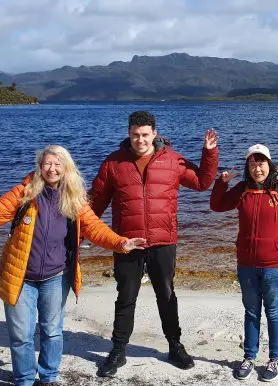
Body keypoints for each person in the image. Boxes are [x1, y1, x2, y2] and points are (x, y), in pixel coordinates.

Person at [0, 145, 146, 386]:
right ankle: (24, 380)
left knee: (52, 331)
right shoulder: (23, 195)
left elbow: (95, 229)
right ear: (40, 166)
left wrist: (121, 243)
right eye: (47, 164)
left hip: (57, 277)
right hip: (20, 277)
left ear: (67, 168)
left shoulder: (74, 199)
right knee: (21, 336)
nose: (52, 169)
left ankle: (48, 378)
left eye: (58, 164)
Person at [90, 110, 219, 376]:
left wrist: (209, 154)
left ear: (154, 134)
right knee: (126, 297)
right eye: (135, 135)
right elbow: (97, 203)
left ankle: (175, 345)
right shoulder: (113, 163)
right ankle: (118, 350)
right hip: (127, 242)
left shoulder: (172, 160)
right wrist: (79, 234)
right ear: (128, 134)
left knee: (167, 295)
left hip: (163, 241)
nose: (140, 140)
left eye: (145, 135)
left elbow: (203, 183)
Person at [209, 143, 278, 382]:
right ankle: (249, 357)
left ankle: (274, 359)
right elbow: (216, 205)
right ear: (248, 166)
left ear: (269, 165)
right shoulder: (241, 190)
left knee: (273, 312)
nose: (257, 167)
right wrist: (222, 182)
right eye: (252, 162)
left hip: (274, 265)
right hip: (246, 264)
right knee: (251, 312)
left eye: (261, 162)